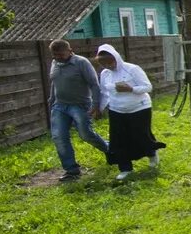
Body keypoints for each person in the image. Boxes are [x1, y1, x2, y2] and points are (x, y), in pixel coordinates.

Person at [95, 44, 165, 181]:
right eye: (104, 64)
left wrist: (131, 89)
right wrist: (100, 108)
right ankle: (125, 168)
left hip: (139, 107)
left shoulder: (132, 69)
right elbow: (104, 92)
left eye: (110, 62)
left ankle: (151, 153)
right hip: (116, 109)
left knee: (141, 135)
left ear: (116, 58)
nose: (108, 66)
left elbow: (148, 87)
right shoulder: (105, 74)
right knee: (119, 139)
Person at [47, 39, 108, 181]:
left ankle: (110, 150)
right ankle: (72, 170)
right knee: (59, 137)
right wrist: (51, 100)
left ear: (69, 50)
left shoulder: (81, 62)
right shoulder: (55, 63)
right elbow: (54, 83)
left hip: (80, 105)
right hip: (60, 105)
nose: (58, 57)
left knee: (86, 134)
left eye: (61, 54)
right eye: (54, 55)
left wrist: (96, 105)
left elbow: (94, 84)